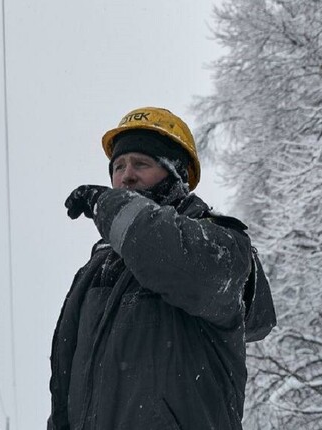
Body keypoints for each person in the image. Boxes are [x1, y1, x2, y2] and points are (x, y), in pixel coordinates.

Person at [49, 107, 276, 430]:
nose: (125, 176)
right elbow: (65, 395)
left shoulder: (222, 243)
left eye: (141, 164)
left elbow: (170, 256)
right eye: (118, 166)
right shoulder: (93, 274)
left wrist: (110, 206)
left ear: (177, 174)